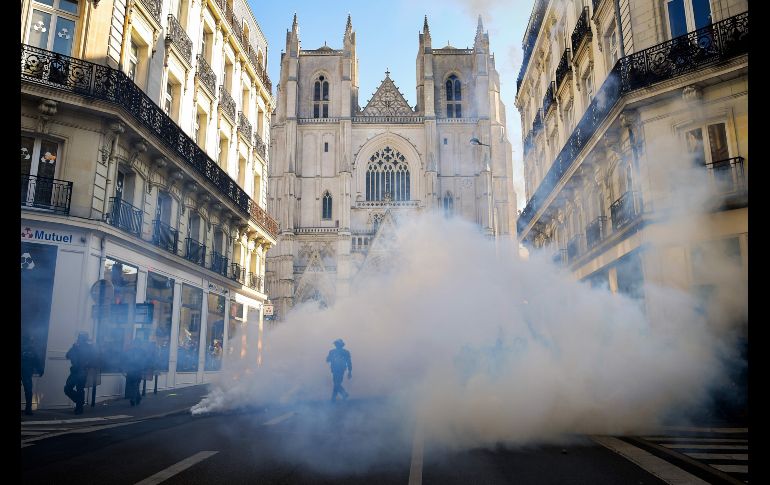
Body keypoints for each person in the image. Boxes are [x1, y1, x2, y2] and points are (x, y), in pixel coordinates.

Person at [64, 332, 94, 414]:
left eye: (80, 338)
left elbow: (67, 355)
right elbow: (67, 355)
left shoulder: (80, 347)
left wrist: (74, 348)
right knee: (73, 389)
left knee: (70, 389)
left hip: (80, 372)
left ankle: (79, 407)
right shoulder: (82, 347)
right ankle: (79, 403)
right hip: (78, 372)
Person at [21, 334, 43, 416]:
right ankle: (28, 410)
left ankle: (28, 409)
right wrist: (40, 370)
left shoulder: (29, 349)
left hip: (26, 372)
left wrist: (40, 369)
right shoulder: (33, 350)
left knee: (28, 391)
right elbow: (37, 361)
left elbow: (37, 361)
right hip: (26, 373)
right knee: (28, 391)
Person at [123, 338, 146, 406]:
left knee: (134, 385)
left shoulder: (141, 352)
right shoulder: (132, 351)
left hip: (137, 371)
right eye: (135, 343)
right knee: (134, 386)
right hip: (132, 371)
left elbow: (144, 362)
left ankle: (133, 399)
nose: (135, 345)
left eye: (136, 343)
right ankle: (138, 397)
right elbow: (126, 360)